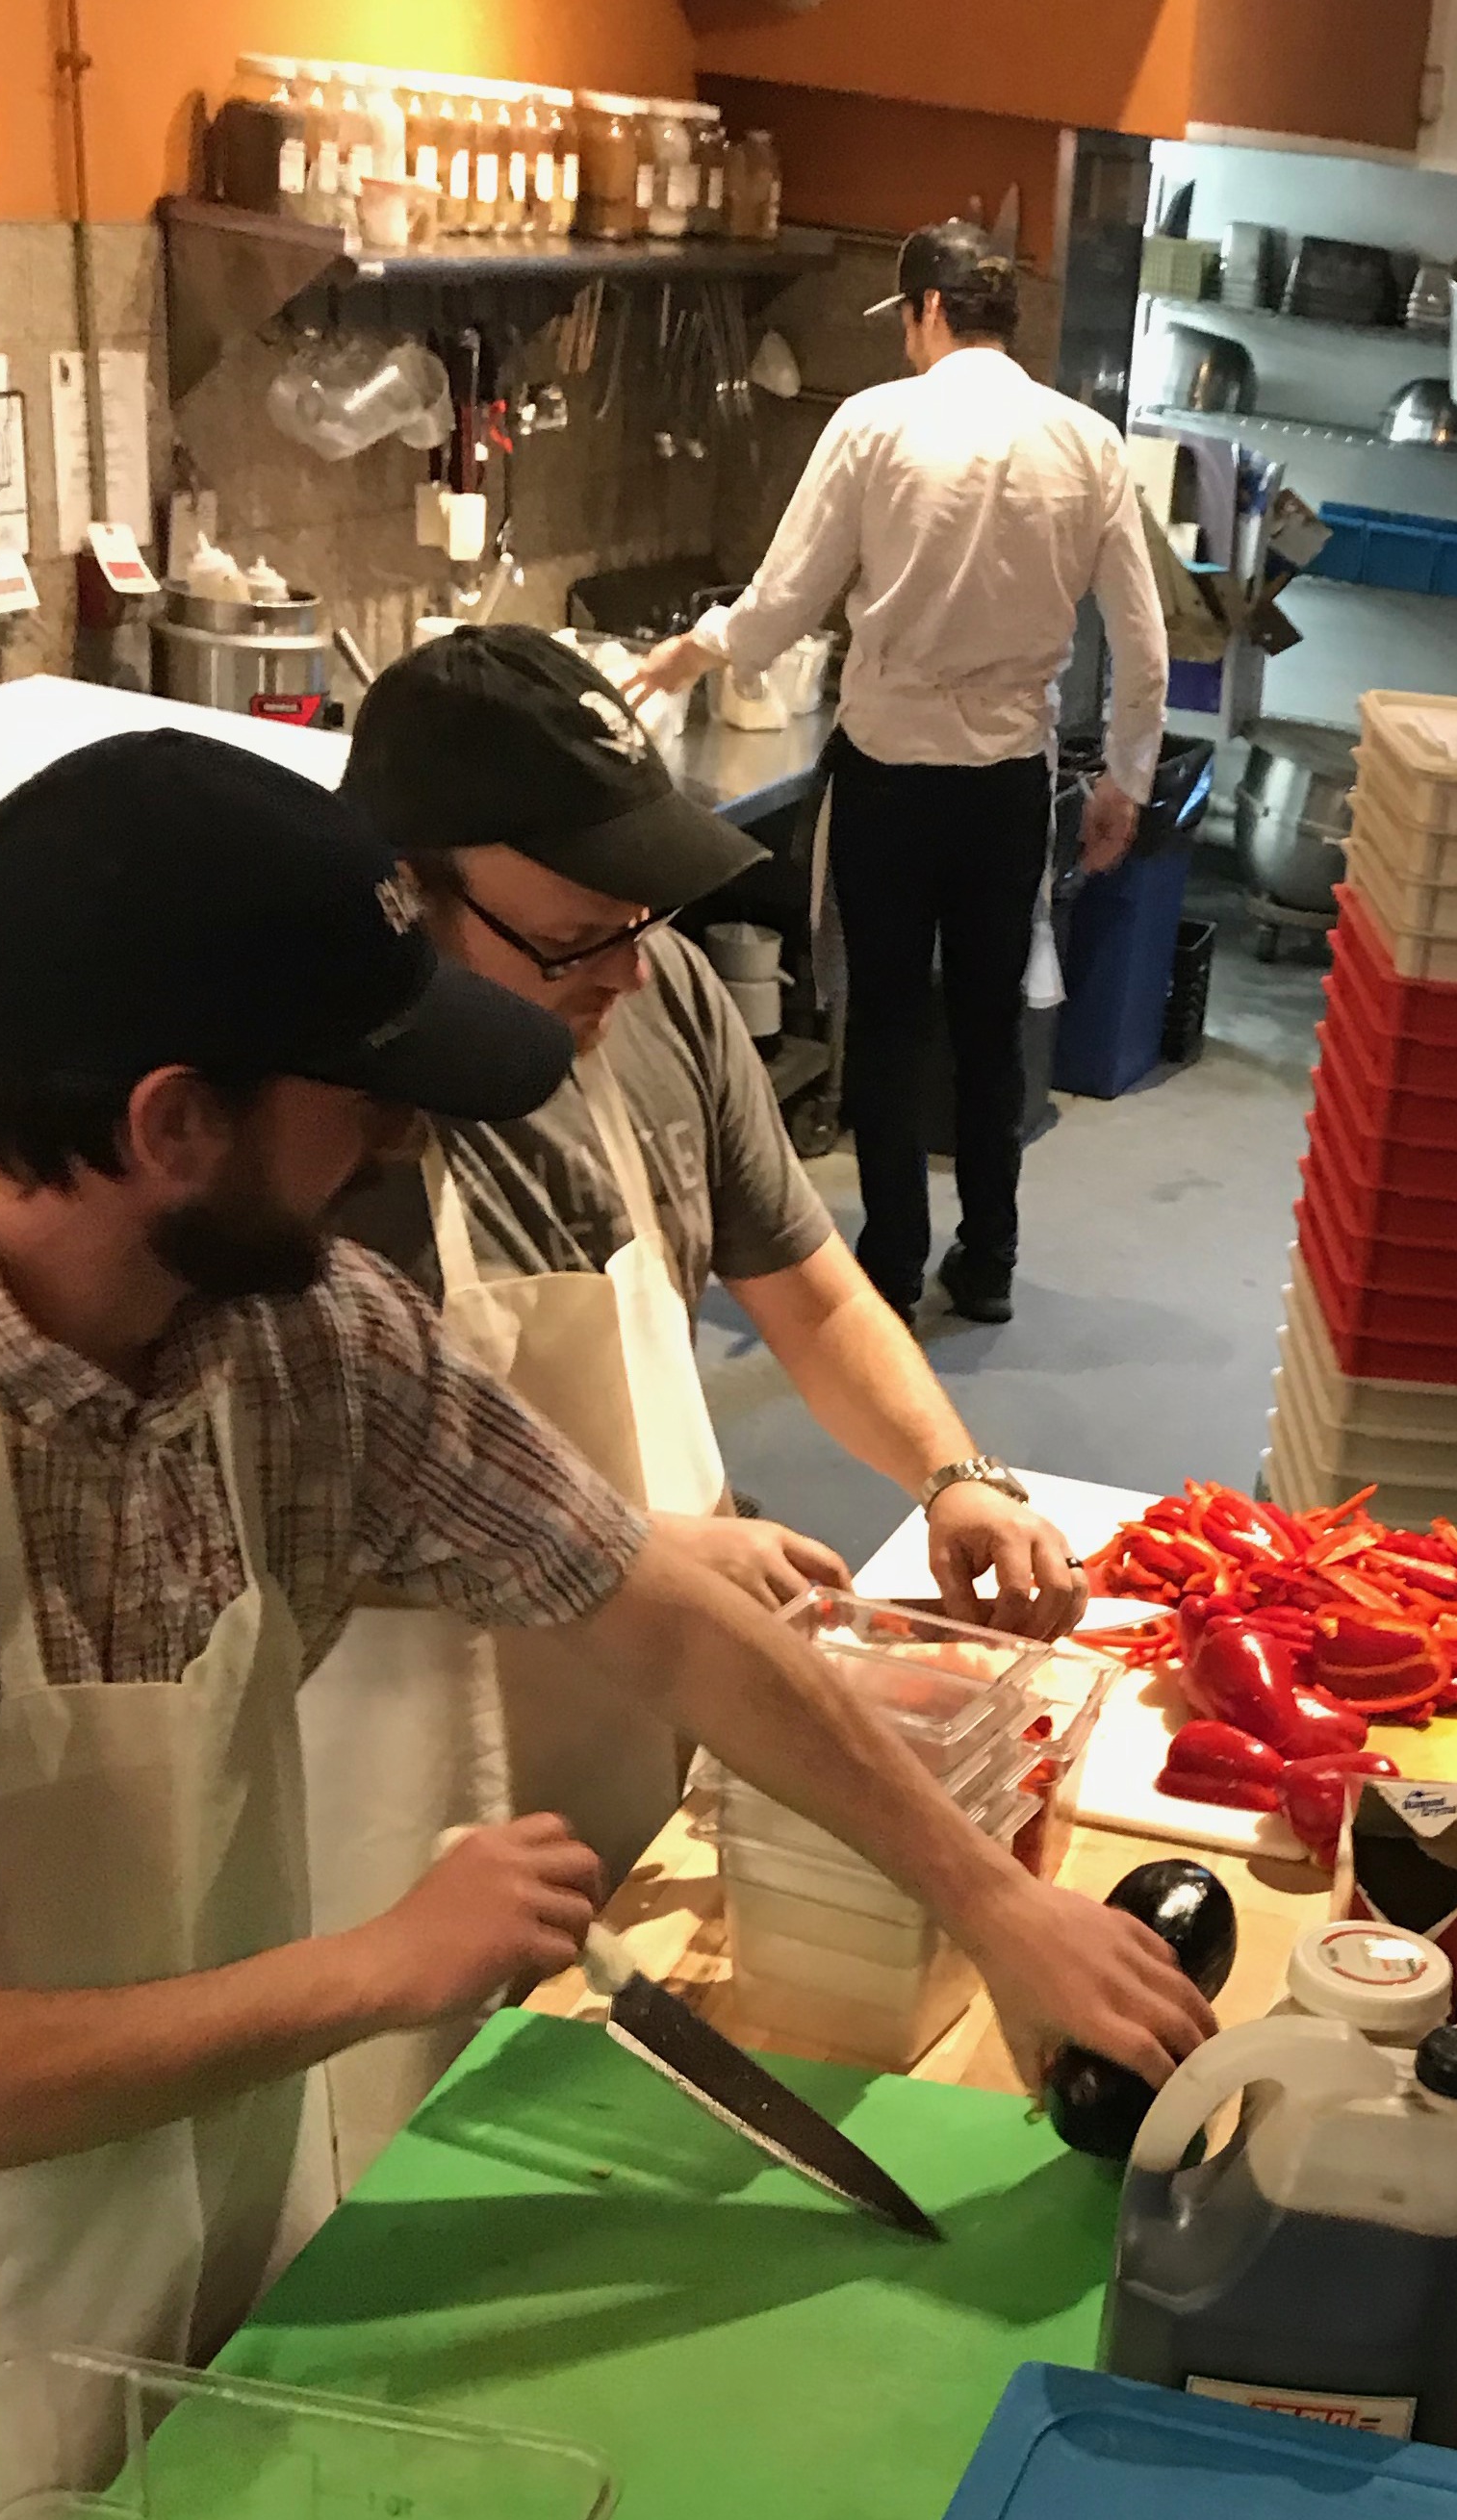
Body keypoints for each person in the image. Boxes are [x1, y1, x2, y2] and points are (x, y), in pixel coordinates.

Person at [0, 733, 1211, 2507]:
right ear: (170, 1123)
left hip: (243, 2272)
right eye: (361, 1087)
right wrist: (372, 1964)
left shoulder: (301, 1335)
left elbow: (656, 1611)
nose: (402, 1134)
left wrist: (993, 1896)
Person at [311, 627, 1093, 2174]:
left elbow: (805, 1284)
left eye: (640, 914)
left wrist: (954, 1470)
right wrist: (644, 1548)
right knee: (436, 2140)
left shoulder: (655, 995)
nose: (622, 960)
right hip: (419, 1758)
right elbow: (297, 1529)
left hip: (668, 1683)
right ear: (408, 882)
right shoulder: (332, 1118)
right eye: (571, 934)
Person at [627, 217, 1170, 1326]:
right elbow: (1142, 637)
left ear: (925, 311)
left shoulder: (876, 424)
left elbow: (787, 597)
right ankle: (991, 1263)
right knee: (987, 1021)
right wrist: (1126, 780)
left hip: (886, 776)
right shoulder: (1087, 442)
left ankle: (887, 1263)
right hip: (1008, 784)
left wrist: (695, 651)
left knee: (882, 1019)